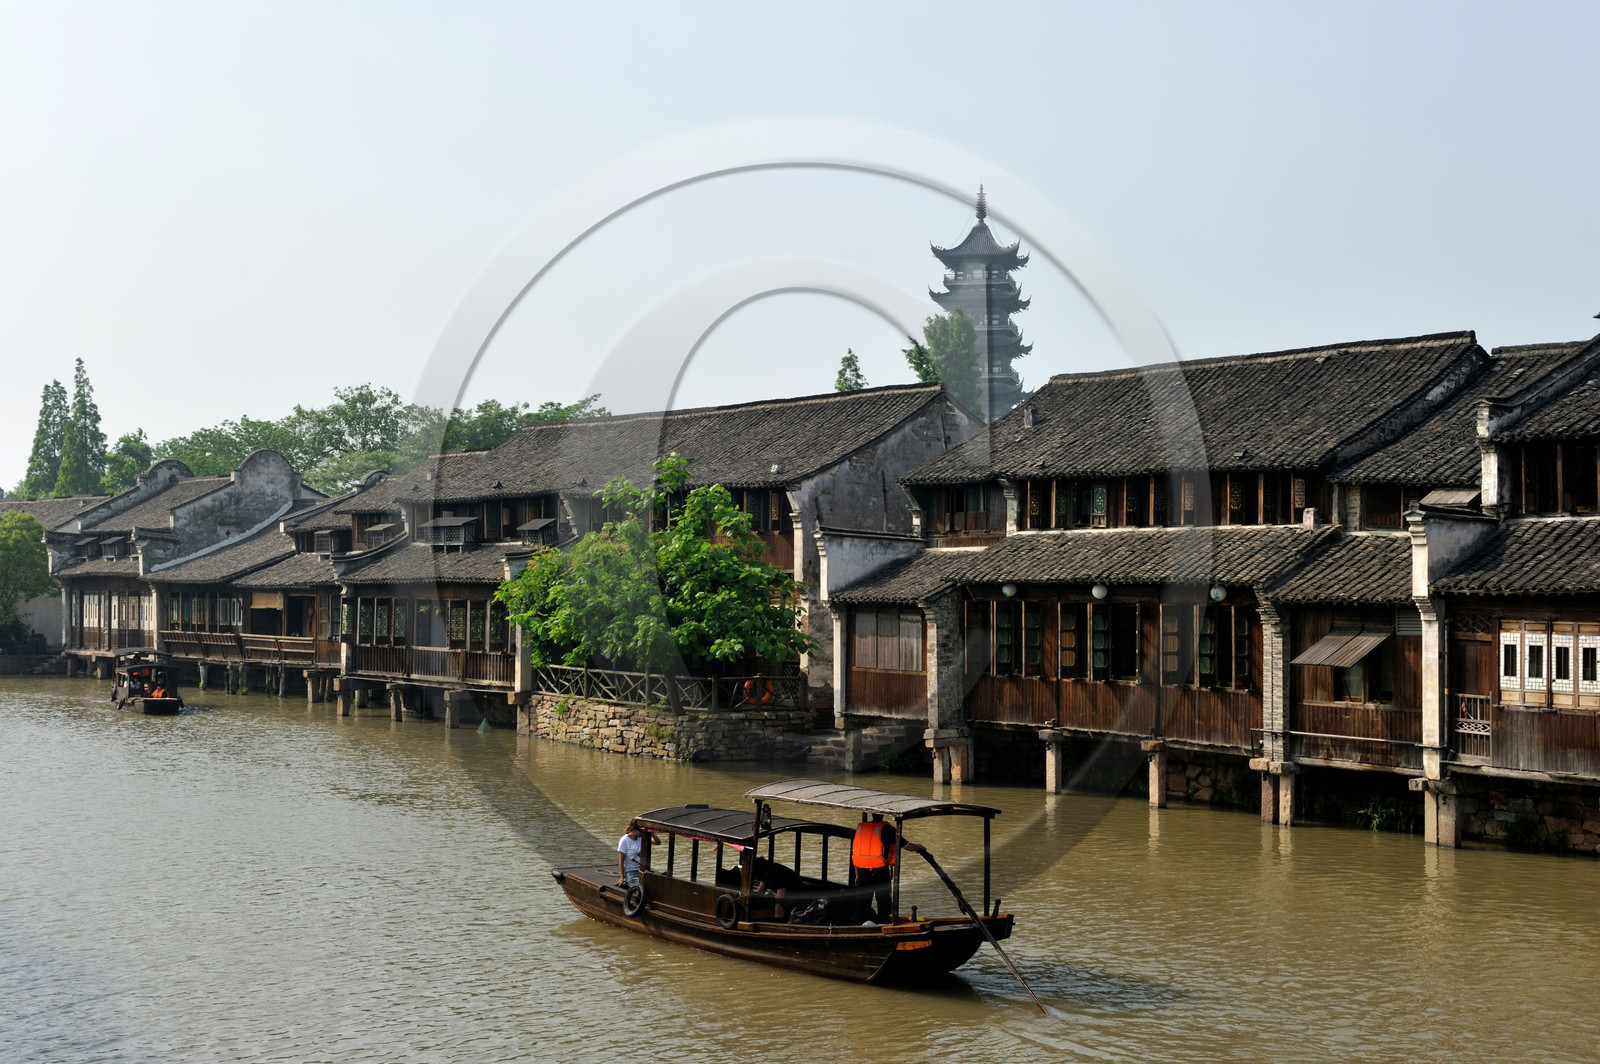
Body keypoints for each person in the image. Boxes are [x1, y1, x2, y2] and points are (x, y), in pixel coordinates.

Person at [616, 820, 652, 890]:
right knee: (639, 889)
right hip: (631, 871)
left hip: (643, 870)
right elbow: (621, 861)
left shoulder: (641, 838)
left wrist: (650, 832)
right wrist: (622, 878)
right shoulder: (624, 840)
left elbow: (657, 842)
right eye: (640, 831)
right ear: (633, 829)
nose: (641, 833)